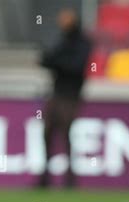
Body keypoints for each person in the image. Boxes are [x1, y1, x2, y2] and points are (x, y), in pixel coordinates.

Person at [39, 8, 92, 187]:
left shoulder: (82, 43)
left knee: (66, 134)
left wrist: (57, 63)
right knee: (47, 134)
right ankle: (45, 176)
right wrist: (57, 62)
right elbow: (46, 60)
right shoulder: (63, 41)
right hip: (57, 94)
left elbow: (75, 66)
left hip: (70, 96)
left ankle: (70, 179)